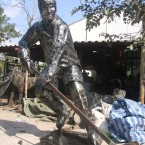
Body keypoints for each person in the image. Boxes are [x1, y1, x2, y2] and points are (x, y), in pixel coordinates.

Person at [18, 0, 97, 144]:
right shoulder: (38, 27)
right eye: (45, 7)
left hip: (69, 64)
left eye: (52, 6)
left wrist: (48, 72)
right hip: (52, 65)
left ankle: (90, 128)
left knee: (78, 92)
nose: (49, 10)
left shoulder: (62, 26)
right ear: (40, 9)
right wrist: (24, 55)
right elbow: (23, 42)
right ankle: (62, 111)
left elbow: (57, 52)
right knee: (40, 91)